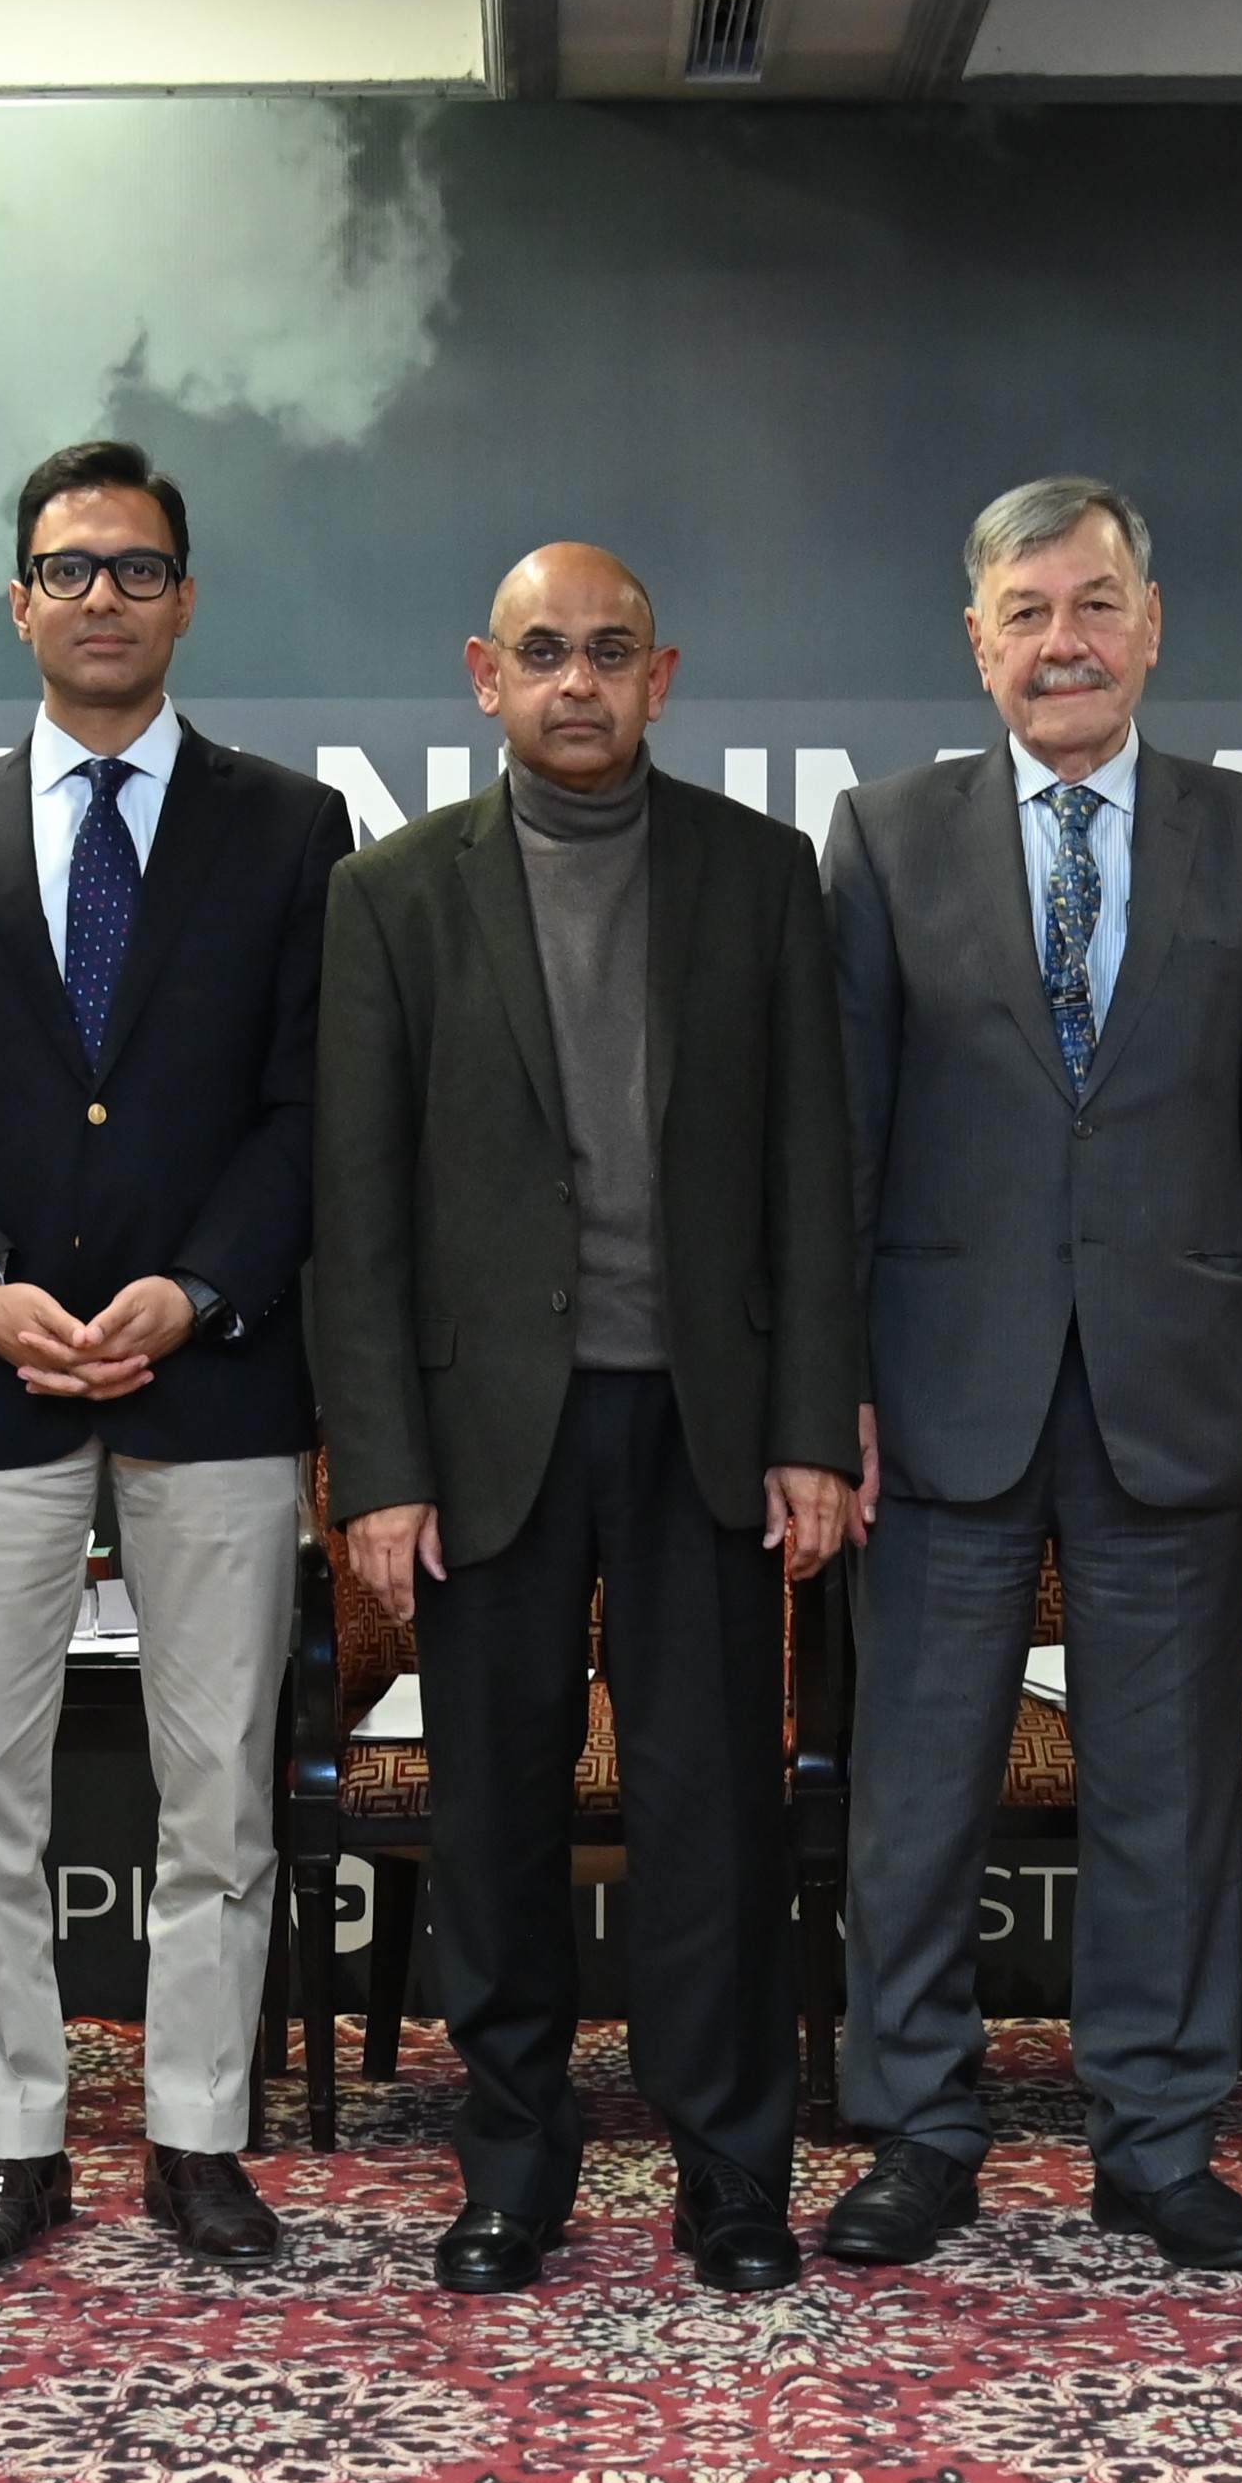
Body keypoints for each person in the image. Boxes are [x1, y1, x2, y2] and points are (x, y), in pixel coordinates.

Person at [315, 543, 863, 2297]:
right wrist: (381, 1467)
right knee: (493, 1821)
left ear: (663, 672)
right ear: (485, 672)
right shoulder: (394, 894)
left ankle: (731, 2176)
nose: (576, 682)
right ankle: (514, 2171)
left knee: (718, 1819)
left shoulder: (763, 876)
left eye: (608, 653)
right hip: (488, 1444)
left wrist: (810, 1429)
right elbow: (358, 1208)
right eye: (542, 653)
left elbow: (811, 1178)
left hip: (704, 1426)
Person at [817, 479, 1242, 2277]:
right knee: (916, 1787)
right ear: (978, 642)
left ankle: (1160, 2137)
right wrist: (838, 1388)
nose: (1066, 641)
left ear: (1152, 623)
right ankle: (918, 2129)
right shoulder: (883, 839)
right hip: (939, 1386)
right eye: (1029, 611)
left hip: (1178, 1381)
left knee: (1166, 1791)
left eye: (1096, 604)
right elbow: (845, 1145)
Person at [0, 441, 352, 2275]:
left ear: (186, 599)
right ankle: (13, 2139)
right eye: (67, 571)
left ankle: (198, 2135)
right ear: (19, 603)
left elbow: (312, 1108)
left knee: (215, 1776)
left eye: (136, 570)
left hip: (212, 1374)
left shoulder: (290, 831)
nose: (101, 600)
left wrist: (206, 1288)